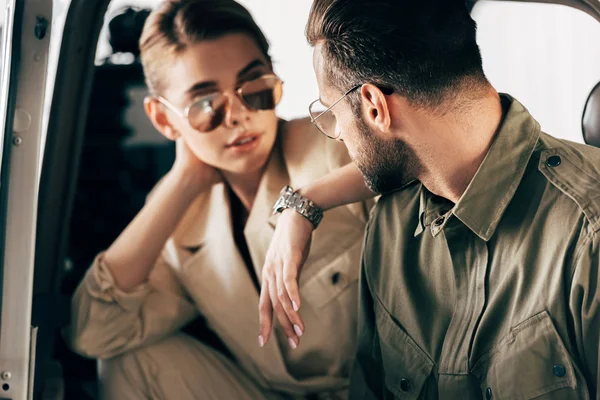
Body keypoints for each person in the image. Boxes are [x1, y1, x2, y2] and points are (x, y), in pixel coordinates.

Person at [259, 0, 600, 398]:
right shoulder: (390, 226)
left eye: (332, 113)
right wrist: (301, 207)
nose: (337, 134)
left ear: (374, 106)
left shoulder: (588, 237)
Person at [66, 0, 374, 398]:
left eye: (255, 87)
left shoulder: (331, 144)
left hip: (374, 389)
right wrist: (183, 180)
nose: (238, 115)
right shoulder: (186, 224)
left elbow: (413, 159)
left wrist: (307, 202)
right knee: (129, 357)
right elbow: (94, 332)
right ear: (163, 119)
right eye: (206, 104)